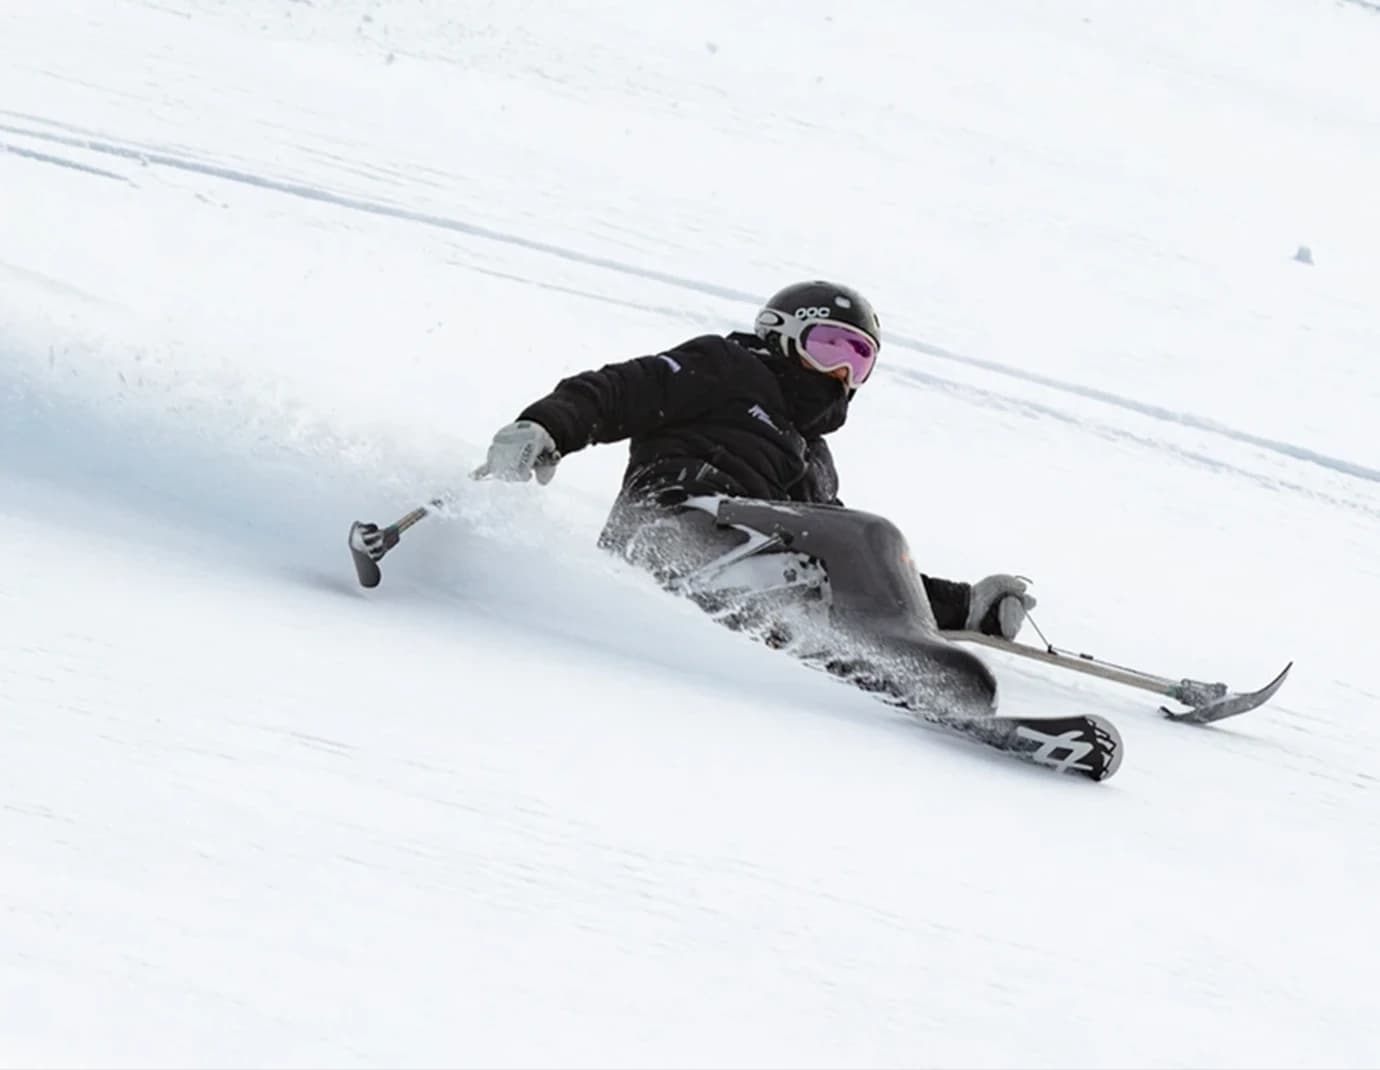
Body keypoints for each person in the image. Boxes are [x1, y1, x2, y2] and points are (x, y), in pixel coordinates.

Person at [476, 281, 1034, 702]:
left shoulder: (812, 455)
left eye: (859, 361)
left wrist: (967, 604)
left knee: (857, 544)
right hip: (670, 529)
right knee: (873, 532)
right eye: (829, 347)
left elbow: (861, 561)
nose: (840, 373)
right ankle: (907, 662)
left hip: (750, 554)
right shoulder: (727, 366)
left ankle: (861, 645)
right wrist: (544, 427)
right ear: (782, 336)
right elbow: (621, 389)